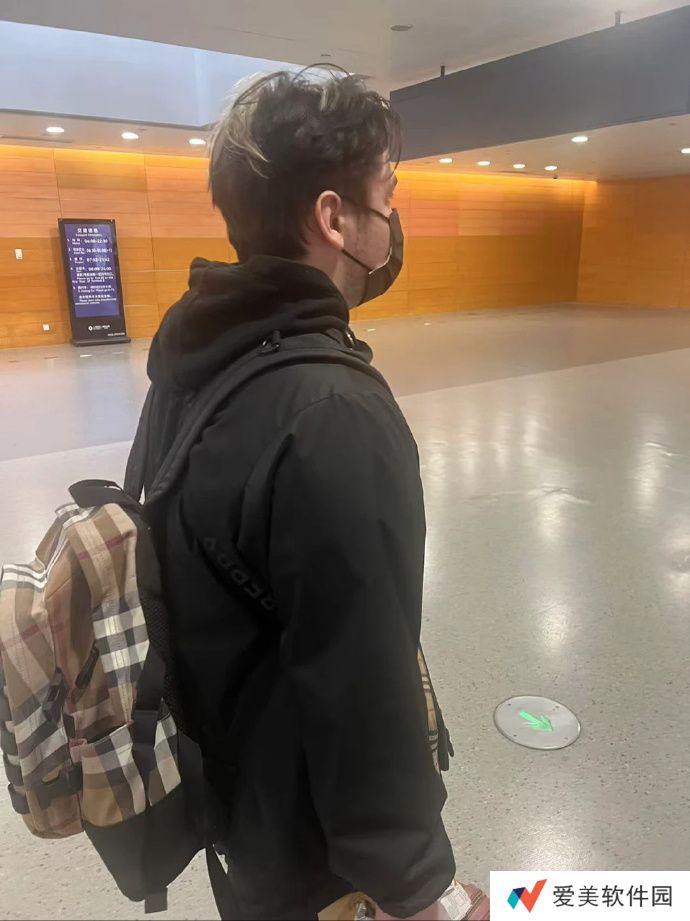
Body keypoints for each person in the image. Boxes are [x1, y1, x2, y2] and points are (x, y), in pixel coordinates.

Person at [138, 66, 456, 920]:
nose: (392, 218)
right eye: (386, 194)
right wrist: (415, 888)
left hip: (235, 812)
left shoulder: (193, 357)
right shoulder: (334, 414)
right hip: (316, 859)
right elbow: (363, 682)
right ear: (332, 218)